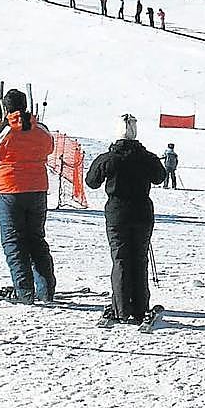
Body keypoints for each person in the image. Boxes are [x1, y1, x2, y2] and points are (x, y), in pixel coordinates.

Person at [85, 114, 167, 324]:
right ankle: (140, 308)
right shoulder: (147, 157)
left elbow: (91, 181)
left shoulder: (109, 158)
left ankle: (121, 308)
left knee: (120, 258)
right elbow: (160, 177)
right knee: (139, 258)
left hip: (117, 213)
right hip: (142, 212)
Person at [0, 89, 56, 305]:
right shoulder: (41, 129)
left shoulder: (3, 131)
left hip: (10, 191)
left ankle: (24, 291)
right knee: (36, 239)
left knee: (14, 242)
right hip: (38, 190)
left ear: (6, 108)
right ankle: (46, 290)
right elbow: (50, 147)